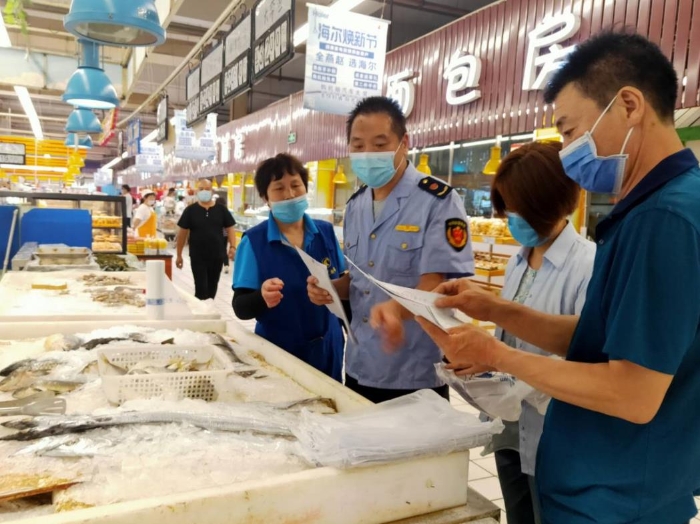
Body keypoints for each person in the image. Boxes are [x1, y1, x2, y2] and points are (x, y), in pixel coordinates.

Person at [416, 32, 700, 524]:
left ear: (628, 105)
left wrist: (495, 354)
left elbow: (632, 393)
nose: (568, 150)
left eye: (570, 132)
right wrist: (496, 309)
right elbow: (603, 339)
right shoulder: (647, 212)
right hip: (609, 485)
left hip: (617, 496)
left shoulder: (664, 220)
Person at [307, 96, 474, 403]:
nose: (368, 153)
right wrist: (329, 288)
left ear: (404, 143)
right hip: (358, 365)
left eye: (380, 144)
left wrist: (396, 310)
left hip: (414, 371)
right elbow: (359, 280)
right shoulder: (355, 207)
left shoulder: (438, 201)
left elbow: (439, 286)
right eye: (358, 146)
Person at [479, 141, 595, 524]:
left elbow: (583, 353)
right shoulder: (518, 260)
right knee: (518, 513)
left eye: (524, 210)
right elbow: (509, 333)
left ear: (559, 204)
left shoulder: (587, 265)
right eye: (508, 209)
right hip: (508, 422)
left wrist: (515, 375)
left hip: (554, 430)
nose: (514, 219)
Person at [232, 153, 344, 381]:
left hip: (327, 347)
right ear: (266, 197)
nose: (290, 194)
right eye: (279, 188)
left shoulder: (326, 233)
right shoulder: (254, 241)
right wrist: (261, 297)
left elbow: (344, 286)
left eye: (296, 185)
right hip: (278, 351)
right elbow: (240, 307)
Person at [176, 179, 236, 300]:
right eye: (201, 189)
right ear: (197, 191)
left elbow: (230, 228)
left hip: (217, 255)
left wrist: (233, 247)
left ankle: (209, 310)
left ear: (212, 191)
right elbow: (182, 234)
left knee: (212, 288)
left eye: (207, 189)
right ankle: (201, 314)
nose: (204, 191)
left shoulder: (221, 210)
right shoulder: (190, 210)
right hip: (198, 256)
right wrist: (179, 254)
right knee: (201, 289)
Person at [215, 196, 234, 275]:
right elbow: (230, 226)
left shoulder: (215, 211)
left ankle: (217, 265)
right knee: (223, 249)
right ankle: (226, 265)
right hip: (225, 234)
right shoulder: (226, 211)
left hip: (217, 234)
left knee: (217, 250)